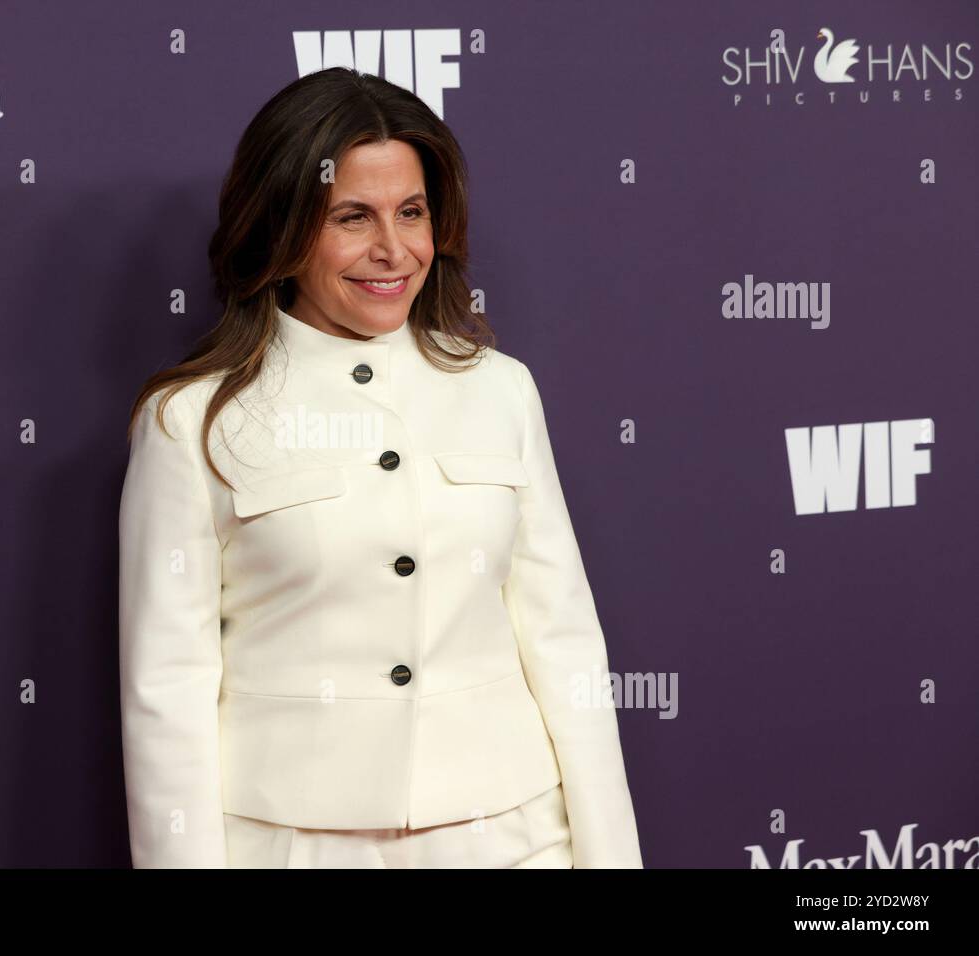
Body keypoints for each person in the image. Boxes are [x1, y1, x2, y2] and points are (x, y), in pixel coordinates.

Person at [118, 67, 642, 869]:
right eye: (352, 217)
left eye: (412, 212)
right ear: (283, 228)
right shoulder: (190, 422)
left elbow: (564, 642)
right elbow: (167, 694)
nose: (393, 250)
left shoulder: (501, 390)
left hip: (515, 841)